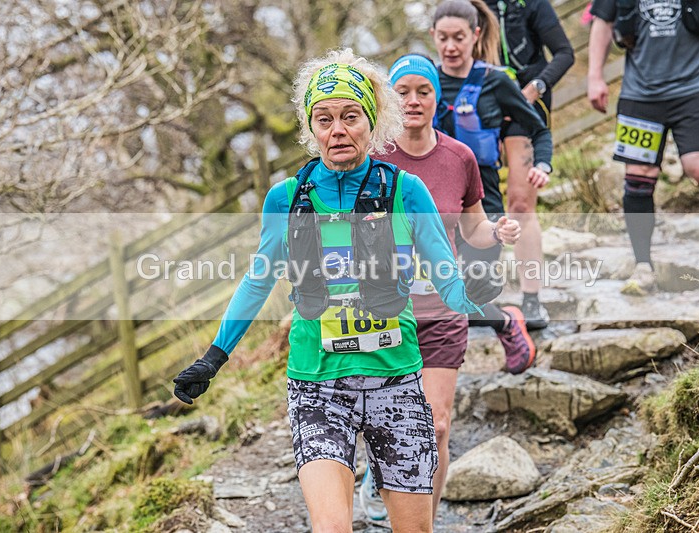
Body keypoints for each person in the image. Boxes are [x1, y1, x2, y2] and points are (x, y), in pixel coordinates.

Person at [172, 48, 510, 533]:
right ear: (311, 129)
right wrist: (214, 356)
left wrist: (479, 291)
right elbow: (258, 278)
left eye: (350, 116)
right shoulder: (286, 200)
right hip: (316, 385)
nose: (337, 130)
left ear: (371, 122)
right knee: (333, 527)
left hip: (396, 382)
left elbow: (449, 285)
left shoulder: (405, 191)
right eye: (324, 119)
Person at [358, 54, 537, 523]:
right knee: (388, 423)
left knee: (436, 425)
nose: (413, 100)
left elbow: (473, 228)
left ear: (438, 98)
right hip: (384, 314)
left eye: (424, 91)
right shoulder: (372, 159)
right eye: (403, 92)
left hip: (441, 309)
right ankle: (383, 492)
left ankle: (426, 522)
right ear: (388, 100)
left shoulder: (460, 157)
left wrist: (497, 233)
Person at [587, 0, 699, 294]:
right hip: (640, 93)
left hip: (698, 89)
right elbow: (602, 22)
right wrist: (594, 76)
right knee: (638, 177)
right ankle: (643, 266)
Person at [429, 0, 554, 340]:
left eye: (459, 37)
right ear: (433, 37)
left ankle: (511, 321)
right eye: (443, 38)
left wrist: (543, 164)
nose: (450, 47)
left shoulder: (495, 82)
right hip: (432, 199)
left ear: (476, 35)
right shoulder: (424, 83)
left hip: (480, 204)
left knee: (479, 290)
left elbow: (539, 128)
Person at [483, 0, 575, 329]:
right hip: (482, 106)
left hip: (526, 103)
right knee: (473, 202)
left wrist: (535, 87)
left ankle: (532, 297)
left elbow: (565, 53)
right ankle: (474, 298)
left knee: (521, 201)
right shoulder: (472, 7)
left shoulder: (532, 5)